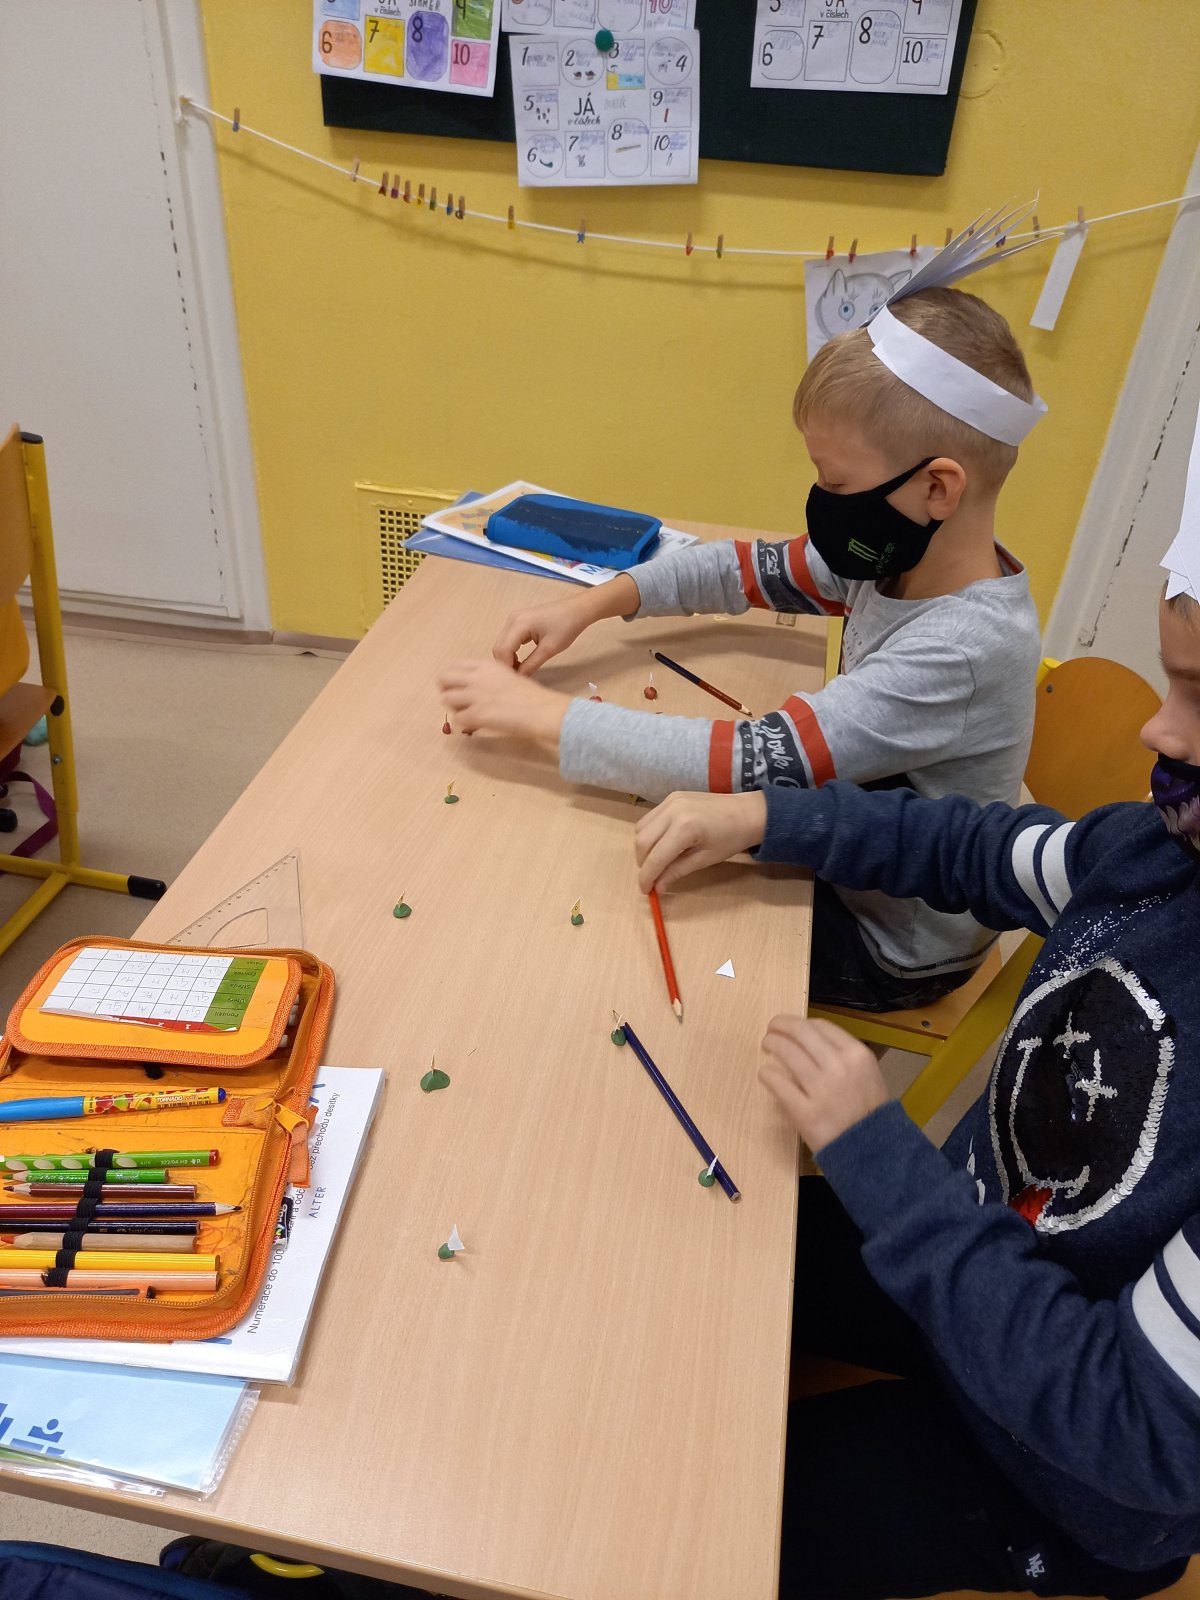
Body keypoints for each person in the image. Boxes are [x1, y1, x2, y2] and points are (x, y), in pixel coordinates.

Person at [631, 586, 1200, 1598]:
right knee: (661, 1252)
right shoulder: (1158, 857)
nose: (1161, 730)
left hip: (1049, 1476)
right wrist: (771, 816)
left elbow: (1131, 1427)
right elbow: (974, 850)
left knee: (673, 1528)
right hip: (961, 1262)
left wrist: (881, 1162)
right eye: (1174, 684)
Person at [439, 285, 1044, 1012]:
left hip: (891, 939)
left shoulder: (960, 650)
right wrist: (591, 604)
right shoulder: (898, 558)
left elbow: (743, 765)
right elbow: (741, 570)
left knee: (600, 934)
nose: (822, 497)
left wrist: (536, 715)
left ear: (937, 489)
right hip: (842, 844)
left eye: (835, 481)